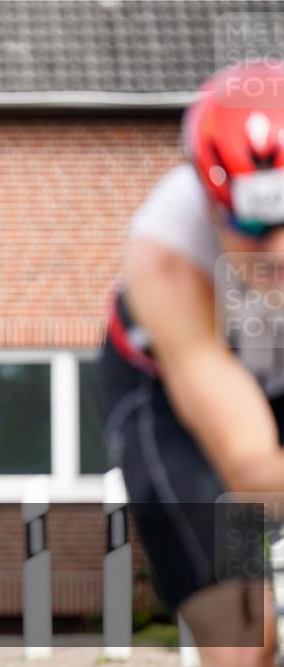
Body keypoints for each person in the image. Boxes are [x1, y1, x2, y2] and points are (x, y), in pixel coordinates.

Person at [97, 60, 284, 667]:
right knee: (243, 637)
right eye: (255, 226)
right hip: (173, 400)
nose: (278, 252)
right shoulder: (164, 257)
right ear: (211, 203)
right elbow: (249, 467)